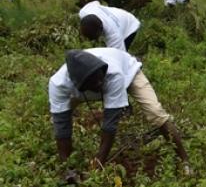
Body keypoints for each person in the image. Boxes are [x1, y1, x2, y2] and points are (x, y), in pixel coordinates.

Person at [49, 48, 192, 174]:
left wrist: (99, 162)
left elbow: (109, 125)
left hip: (129, 73)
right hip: (82, 90)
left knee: (155, 112)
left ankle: (185, 161)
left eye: (100, 79)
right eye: (95, 82)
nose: (99, 83)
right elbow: (62, 130)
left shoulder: (112, 74)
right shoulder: (58, 85)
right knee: (60, 119)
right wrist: (66, 168)